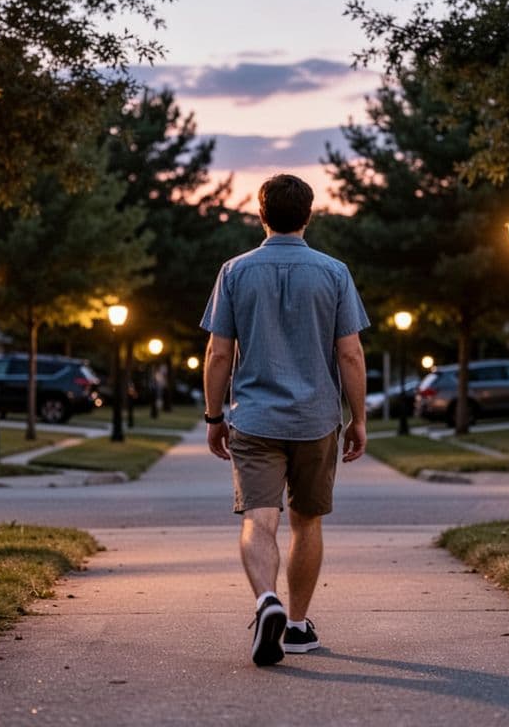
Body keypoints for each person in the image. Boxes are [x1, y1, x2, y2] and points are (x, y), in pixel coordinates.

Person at [200, 173, 369, 667]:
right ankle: (296, 626)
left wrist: (214, 417)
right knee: (307, 520)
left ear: (261, 214)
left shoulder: (234, 272)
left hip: (253, 418)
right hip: (316, 419)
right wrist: (358, 418)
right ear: (309, 215)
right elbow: (351, 354)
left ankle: (264, 600)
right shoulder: (335, 272)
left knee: (259, 517)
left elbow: (218, 353)